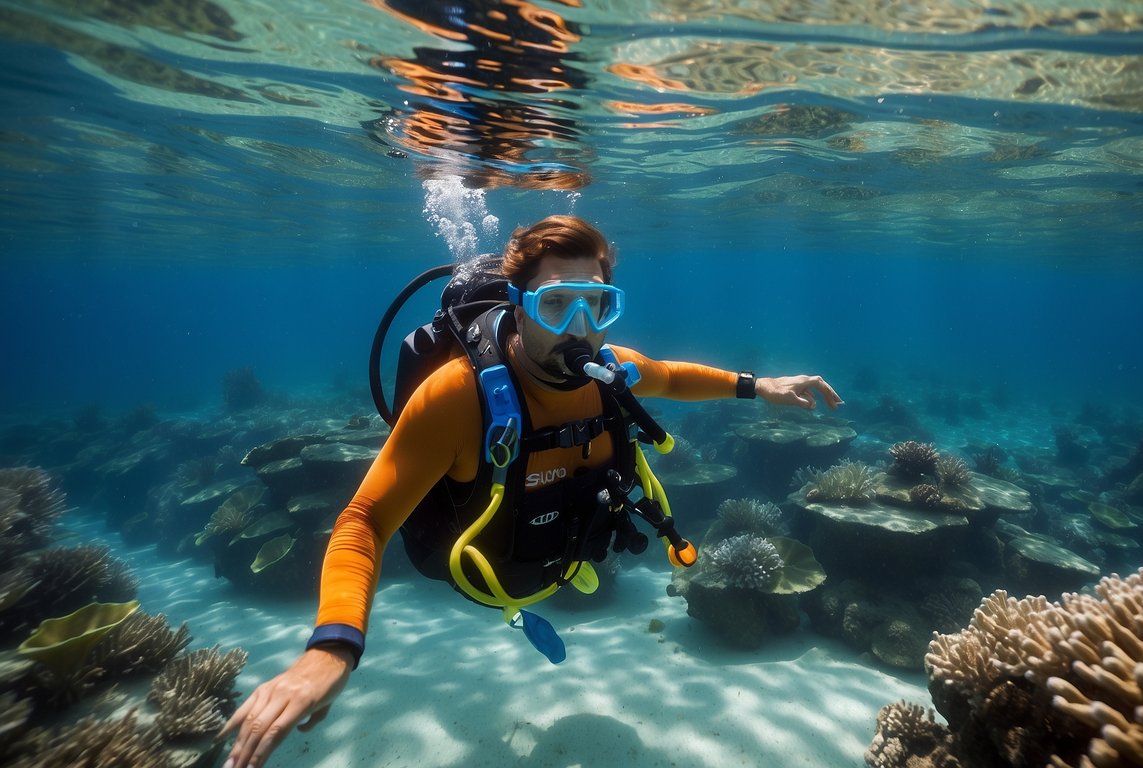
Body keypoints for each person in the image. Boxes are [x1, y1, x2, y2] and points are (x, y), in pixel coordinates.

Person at [220, 215, 842, 768]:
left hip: (562, 548)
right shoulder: (456, 396)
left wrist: (759, 385)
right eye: (555, 306)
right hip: (470, 562)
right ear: (517, 306)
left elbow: (673, 377)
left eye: (597, 305)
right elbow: (365, 520)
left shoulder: (612, 370)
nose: (580, 329)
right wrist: (333, 646)